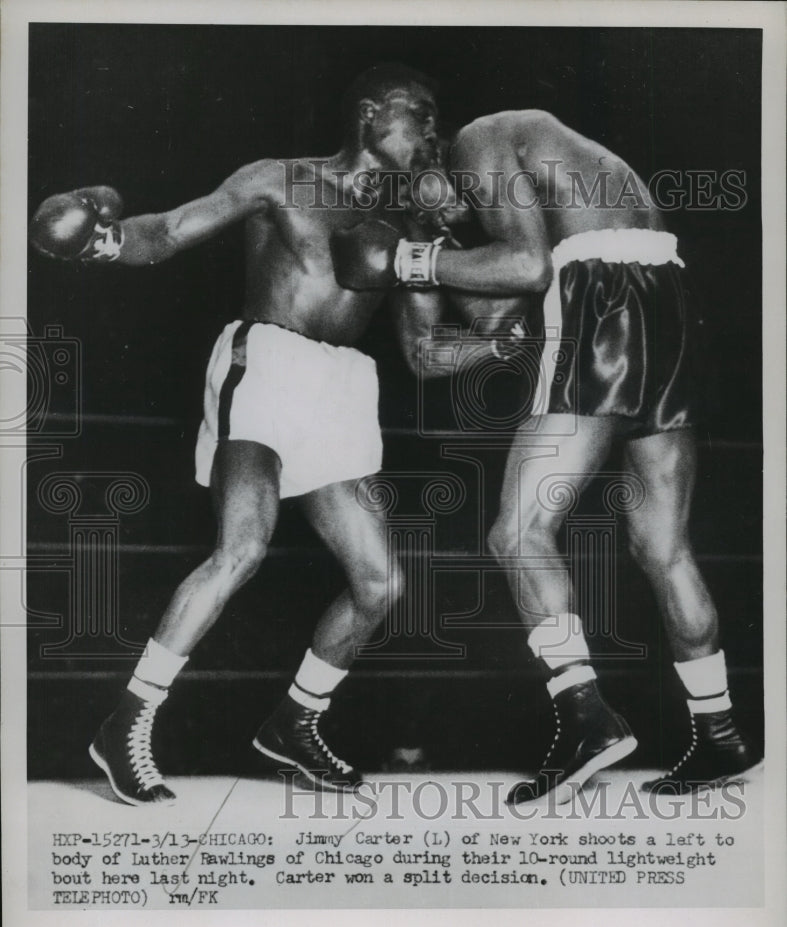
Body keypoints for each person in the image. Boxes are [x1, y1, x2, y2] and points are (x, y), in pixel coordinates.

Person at [30, 63, 445, 805]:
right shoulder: (278, 180)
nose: (431, 132)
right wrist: (100, 243)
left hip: (343, 386)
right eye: (420, 114)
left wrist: (510, 337)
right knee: (242, 546)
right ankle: (127, 720)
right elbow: (170, 230)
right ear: (372, 113)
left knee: (379, 582)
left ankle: (295, 722)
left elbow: (425, 353)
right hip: (268, 359)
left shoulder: (409, 226)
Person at [333, 108, 762, 802]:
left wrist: (409, 258)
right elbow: (496, 317)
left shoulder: (478, 140)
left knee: (517, 532)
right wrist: (436, 253)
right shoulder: (530, 161)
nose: (442, 216)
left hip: (597, 292)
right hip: (666, 300)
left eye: (426, 200)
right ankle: (718, 734)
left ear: (430, 161)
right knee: (662, 547)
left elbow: (530, 268)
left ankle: (586, 719)